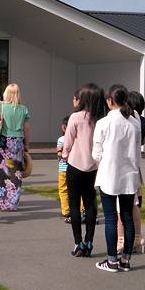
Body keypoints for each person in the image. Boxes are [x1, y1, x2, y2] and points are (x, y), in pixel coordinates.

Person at [93, 84, 142, 272]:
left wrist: (104, 161)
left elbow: (96, 153)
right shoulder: (134, 122)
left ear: (109, 100)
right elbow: (137, 151)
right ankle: (125, 259)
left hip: (109, 174)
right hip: (129, 174)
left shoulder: (104, 123)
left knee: (111, 217)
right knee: (127, 216)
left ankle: (112, 259)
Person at [62, 83, 106, 257]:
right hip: (94, 166)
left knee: (74, 204)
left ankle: (77, 242)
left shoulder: (76, 117)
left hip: (75, 165)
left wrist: (64, 154)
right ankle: (89, 241)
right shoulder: (102, 118)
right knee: (90, 204)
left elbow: (68, 142)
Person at [0, 82, 31, 211]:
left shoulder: (0, 106)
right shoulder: (23, 109)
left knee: (1, 171)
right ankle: (13, 201)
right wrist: (26, 144)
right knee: (16, 171)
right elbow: (26, 128)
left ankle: (1, 200)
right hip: (17, 142)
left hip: (3, 142)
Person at [121, 90, 145, 254]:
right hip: (136, 163)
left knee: (124, 206)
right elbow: (143, 141)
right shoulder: (143, 121)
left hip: (124, 165)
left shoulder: (127, 119)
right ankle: (138, 238)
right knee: (136, 200)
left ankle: (123, 240)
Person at [55, 116, 72, 220]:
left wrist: (58, 151)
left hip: (63, 169)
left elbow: (60, 154)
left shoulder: (61, 139)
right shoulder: (76, 138)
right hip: (74, 168)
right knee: (79, 191)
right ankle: (83, 209)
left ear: (63, 127)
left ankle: (66, 211)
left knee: (63, 190)